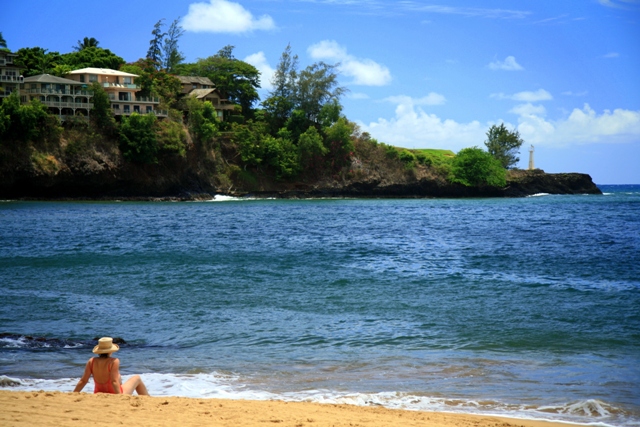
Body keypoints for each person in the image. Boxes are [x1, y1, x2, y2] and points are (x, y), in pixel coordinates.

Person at [73, 337, 149, 395]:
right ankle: (147, 399)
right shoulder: (114, 361)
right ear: (111, 350)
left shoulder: (91, 361)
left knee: (118, 376)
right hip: (114, 393)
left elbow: (83, 381)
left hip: (98, 393)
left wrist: (74, 393)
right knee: (137, 378)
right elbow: (114, 381)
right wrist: (120, 396)